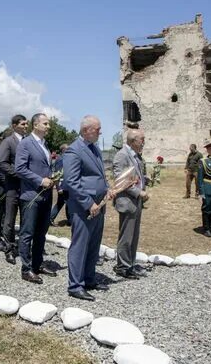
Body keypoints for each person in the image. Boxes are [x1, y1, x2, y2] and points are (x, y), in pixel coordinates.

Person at [63, 115, 113, 301]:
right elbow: (72, 181)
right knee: (80, 245)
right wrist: (88, 202)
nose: (100, 132)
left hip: (99, 205)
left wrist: (107, 189)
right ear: (85, 130)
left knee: (93, 245)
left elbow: (100, 175)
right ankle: (75, 285)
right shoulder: (74, 151)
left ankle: (89, 278)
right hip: (84, 207)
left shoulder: (95, 149)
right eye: (97, 129)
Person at [15, 113, 57, 284]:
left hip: (46, 196)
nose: (48, 126)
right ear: (35, 125)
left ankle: (37, 264)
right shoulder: (25, 143)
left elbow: (43, 166)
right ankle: (26, 269)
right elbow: (20, 168)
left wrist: (52, 177)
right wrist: (40, 180)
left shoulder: (44, 145)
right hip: (31, 195)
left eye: (48, 124)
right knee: (27, 233)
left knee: (41, 233)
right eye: (45, 123)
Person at [112, 129, 149, 280]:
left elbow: (134, 175)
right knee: (126, 236)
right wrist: (138, 192)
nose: (144, 142)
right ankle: (122, 267)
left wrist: (144, 179)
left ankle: (130, 264)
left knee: (134, 236)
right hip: (127, 201)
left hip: (135, 201)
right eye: (142, 139)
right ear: (133, 140)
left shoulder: (135, 155)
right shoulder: (122, 155)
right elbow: (120, 180)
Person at [0, 114, 28, 265]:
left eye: (26, 124)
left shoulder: (28, 142)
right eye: (23, 124)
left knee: (26, 220)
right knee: (9, 221)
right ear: (14, 125)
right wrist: (20, 173)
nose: (25, 126)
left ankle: (24, 249)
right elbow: (2, 163)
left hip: (28, 189)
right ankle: (9, 249)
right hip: (12, 188)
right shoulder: (8, 142)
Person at [50, 143, 70, 226]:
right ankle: (50, 218)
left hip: (66, 185)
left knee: (64, 203)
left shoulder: (65, 158)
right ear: (64, 150)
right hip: (62, 185)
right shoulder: (60, 159)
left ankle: (70, 220)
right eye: (68, 149)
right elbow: (57, 174)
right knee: (64, 203)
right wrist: (58, 187)